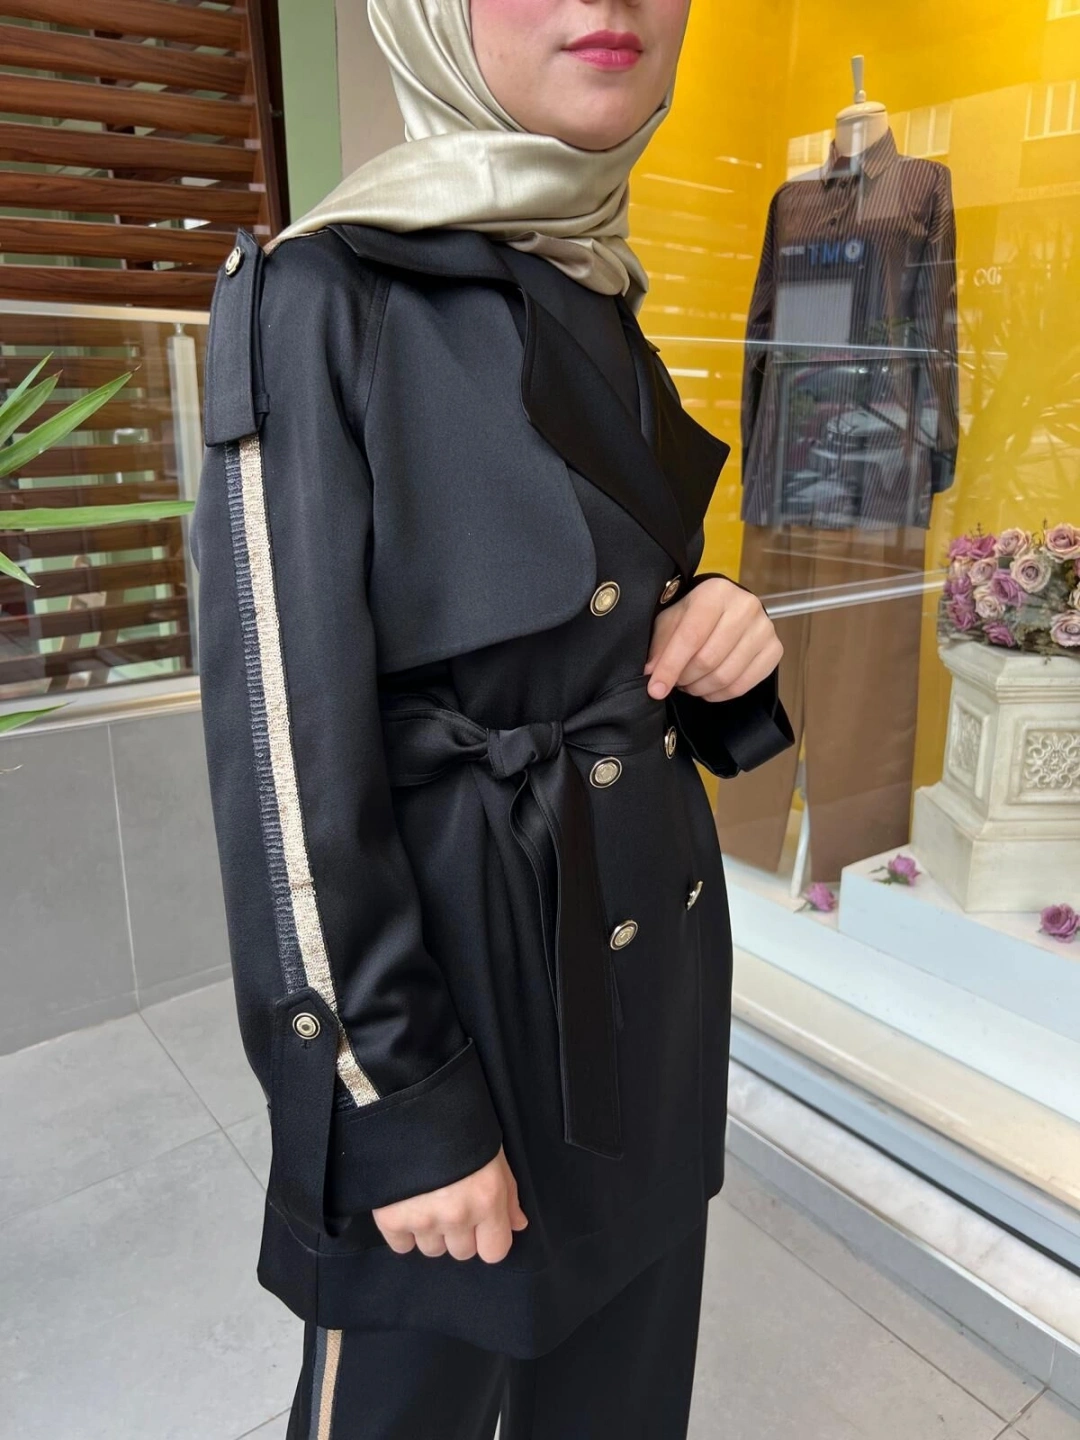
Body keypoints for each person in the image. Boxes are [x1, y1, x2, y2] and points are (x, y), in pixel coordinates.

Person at [191, 1, 793, 1435]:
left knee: (624, 1404)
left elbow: (593, 599)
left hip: (647, 996)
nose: (607, 6)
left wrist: (716, 625)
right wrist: (398, 1104)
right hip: (462, 1017)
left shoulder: (591, 272)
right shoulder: (323, 295)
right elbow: (284, 757)